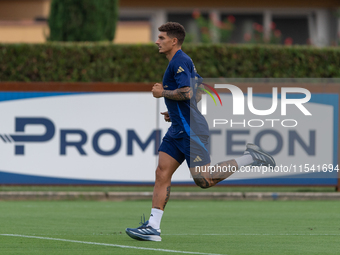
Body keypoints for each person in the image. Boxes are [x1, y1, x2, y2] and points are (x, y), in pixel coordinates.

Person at [125, 22, 275, 242]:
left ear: (173, 41)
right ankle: (153, 228)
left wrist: (162, 93)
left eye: (162, 37)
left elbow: (186, 92)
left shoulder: (180, 60)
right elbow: (199, 91)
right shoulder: (180, 62)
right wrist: (173, 111)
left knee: (203, 180)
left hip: (190, 130)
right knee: (161, 173)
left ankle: (250, 156)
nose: (157, 41)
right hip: (178, 128)